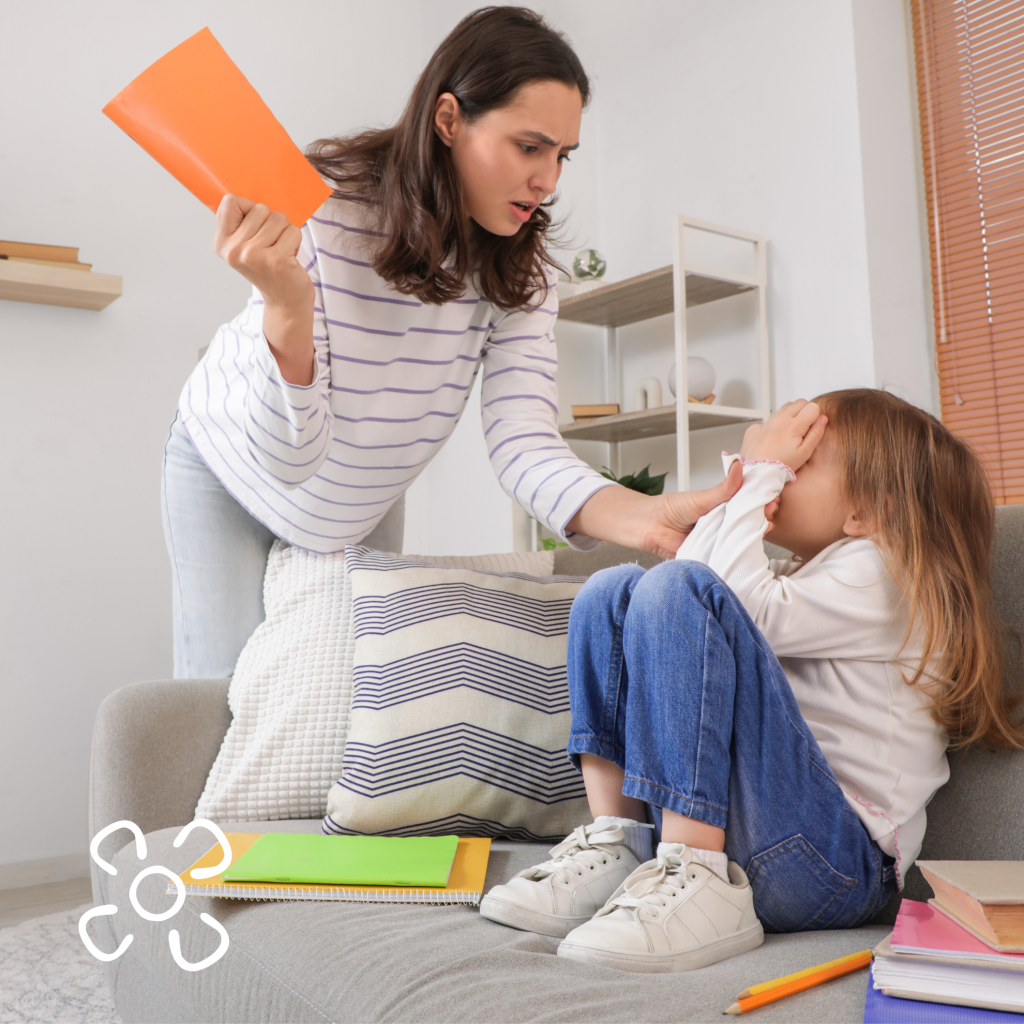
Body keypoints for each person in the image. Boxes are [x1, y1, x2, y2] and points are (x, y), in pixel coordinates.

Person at [162, 6, 740, 679]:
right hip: (234, 463)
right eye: (529, 147)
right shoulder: (327, 214)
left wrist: (645, 518)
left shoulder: (522, 276)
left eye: (562, 155)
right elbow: (289, 458)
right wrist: (287, 305)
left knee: (354, 698)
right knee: (219, 692)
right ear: (448, 120)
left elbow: (525, 445)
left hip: (360, 499)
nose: (549, 179)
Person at [480, 389, 1024, 972]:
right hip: (765, 834)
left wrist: (760, 474)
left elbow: (705, 592)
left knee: (675, 590)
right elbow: (695, 582)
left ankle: (698, 874)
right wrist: (743, 485)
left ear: (868, 512)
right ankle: (623, 840)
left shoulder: (890, 579)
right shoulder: (810, 575)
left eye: (798, 464)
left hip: (830, 865)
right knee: (610, 592)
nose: (779, 473)